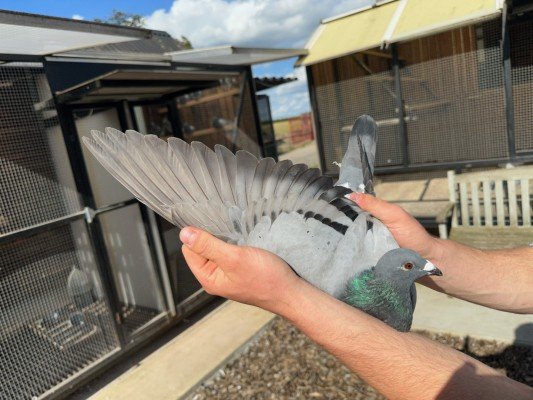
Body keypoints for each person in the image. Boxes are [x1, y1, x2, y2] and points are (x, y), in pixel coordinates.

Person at [178, 192, 533, 400]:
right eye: (413, 267)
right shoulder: (370, 276)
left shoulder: (399, 286)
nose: (424, 268)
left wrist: (290, 297)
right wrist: (431, 250)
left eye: (418, 266)